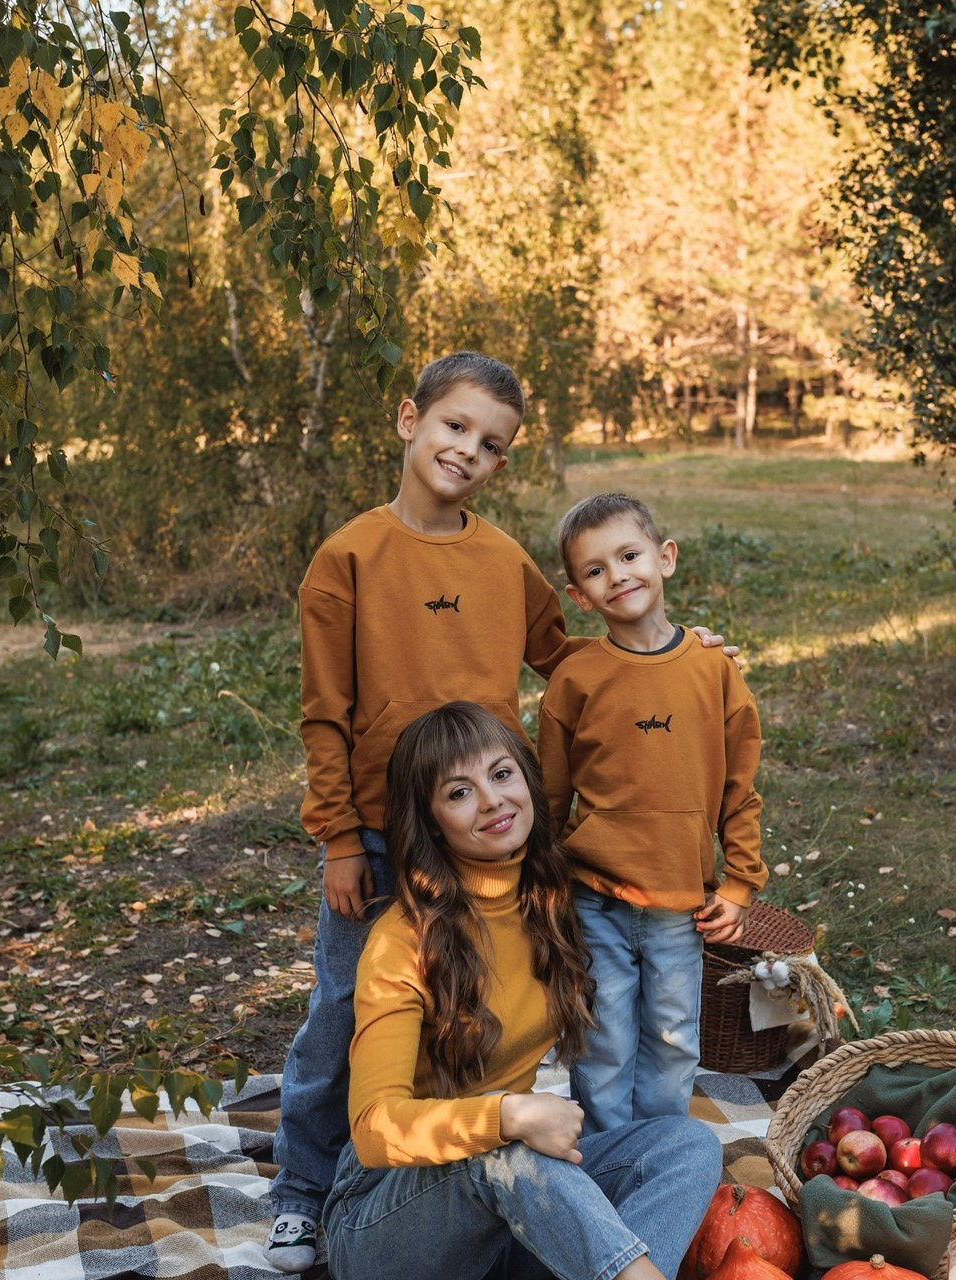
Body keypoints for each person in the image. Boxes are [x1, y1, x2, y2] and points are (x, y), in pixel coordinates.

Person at [268, 354, 731, 1271]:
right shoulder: (349, 559)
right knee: (343, 1016)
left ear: (502, 464)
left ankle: (556, 1229)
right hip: (377, 828)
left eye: (489, 445)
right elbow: (324, 711)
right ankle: (301, 1191)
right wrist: (336, 840)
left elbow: (569, 658)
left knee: (484, 995)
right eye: (453, 428)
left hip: (481, 824)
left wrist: (663, 654)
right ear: (410, 420)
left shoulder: (502, 562)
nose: (466, 451)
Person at [322, 701, 722, 1280]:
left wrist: (686, 661)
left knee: (685, 1146)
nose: (491, 801)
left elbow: (646, 765)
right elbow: (373, 1129)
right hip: (387, 1223)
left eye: (501, 774)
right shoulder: (403, 941)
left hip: (513, 1207)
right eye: (459, 793)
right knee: (507, 1154)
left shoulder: (549, 900)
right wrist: (506, 1115)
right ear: (431, 822)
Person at [537, 492, 768, 1136]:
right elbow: (549, 798)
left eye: (630, 555)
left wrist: (741, 882)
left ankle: (664, 1158)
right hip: (594, 897)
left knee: (672, 1040)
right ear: (579, 595)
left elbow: (740, 788)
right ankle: (609, 1162)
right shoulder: (576, 681)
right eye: (596, 570)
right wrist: (544, 883)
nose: (618, 576)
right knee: (603, 1037)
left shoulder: (713, 671)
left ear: (664, 558)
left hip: (680, 904)